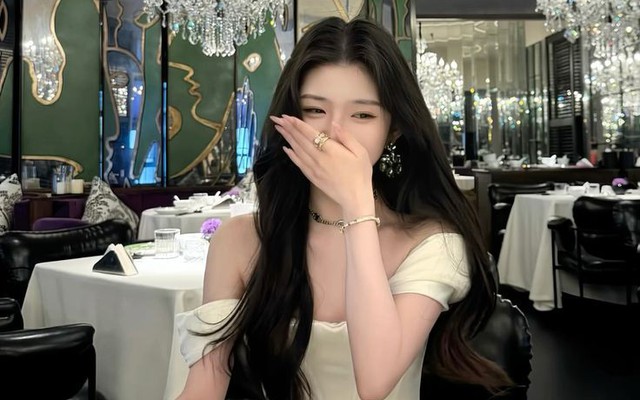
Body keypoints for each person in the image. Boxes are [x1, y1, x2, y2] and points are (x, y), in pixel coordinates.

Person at [176, 17, 512, 400]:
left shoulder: (432, 243)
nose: (332, 134)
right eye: (314, 110)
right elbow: (205, 386)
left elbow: (375, 381)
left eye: (362, 115)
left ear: (393, 130)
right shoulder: (240, 240)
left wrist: (356, 205)